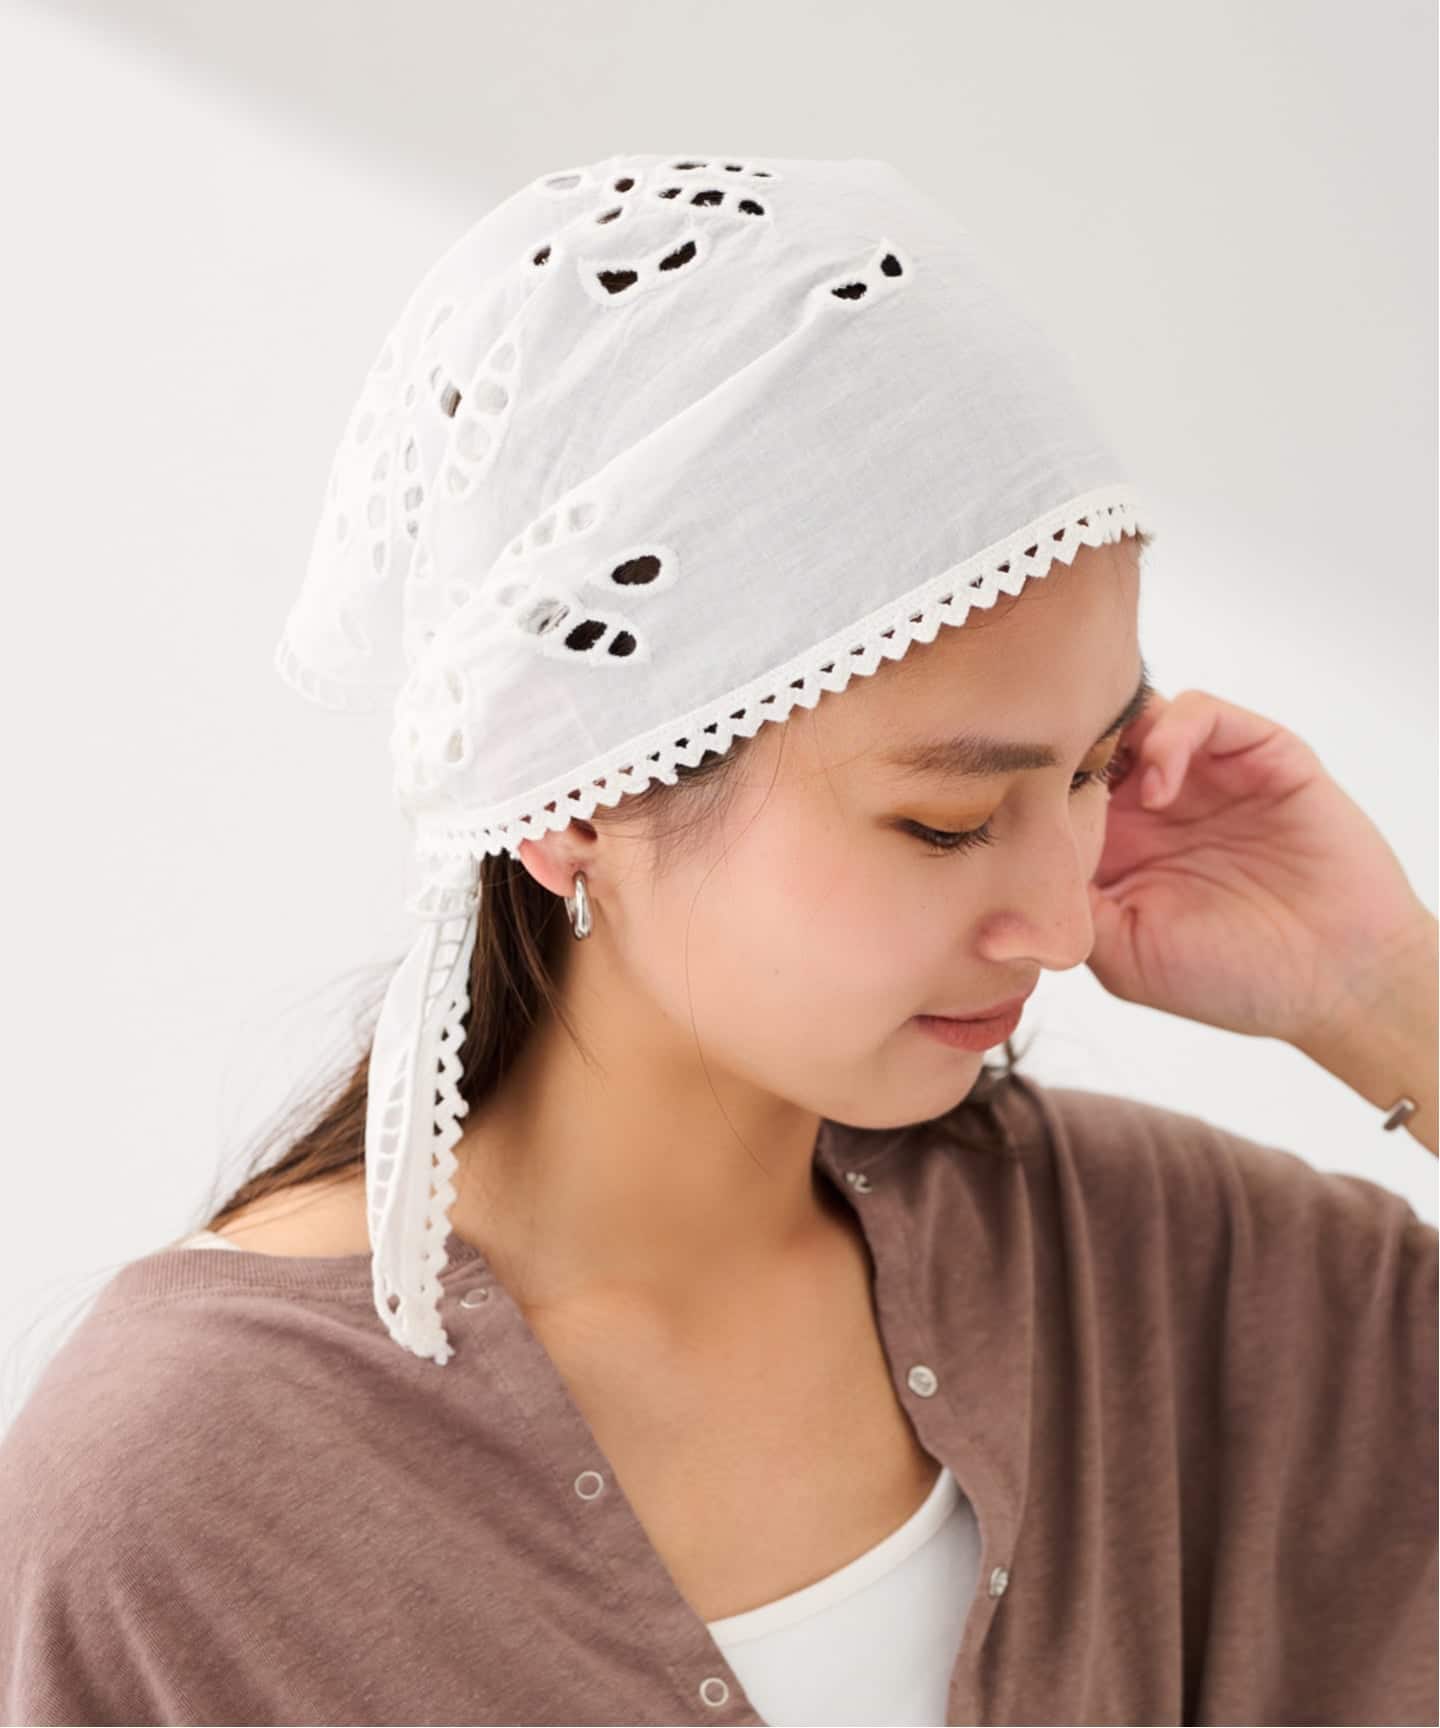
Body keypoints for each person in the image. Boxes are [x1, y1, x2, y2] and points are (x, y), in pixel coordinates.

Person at [1, 151, 1434, 1728]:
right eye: (946, 821)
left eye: (1095, 770)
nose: (1063, 918)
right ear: (572, 795)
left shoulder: (1143, 1274)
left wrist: (1386, 993)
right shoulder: (186, 1489)